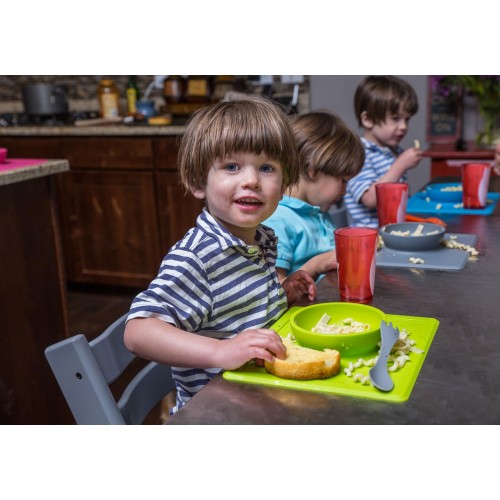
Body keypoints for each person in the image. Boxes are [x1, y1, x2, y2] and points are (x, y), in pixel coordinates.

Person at [124, 94, 316, 414]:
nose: (251, 180)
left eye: (266, 167)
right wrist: (220, 352)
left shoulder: (260, 240)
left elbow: (240, 314)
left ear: (284, 184)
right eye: (231, 166)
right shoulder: (198, 257)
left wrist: (284, 295)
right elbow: (138, 332)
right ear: (198, 181)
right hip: (216, 414)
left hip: (262, 398)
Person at [263, 110, 364, 282]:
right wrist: (315, 266)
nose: (344, 191)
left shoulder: (318, 214)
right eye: (343, 181)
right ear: (313, 169)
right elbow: (276, 289)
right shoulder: (277, 221)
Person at [344, 75, 423, 227]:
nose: (404, 126)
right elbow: (370, 199)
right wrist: (400, 165)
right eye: (395, 118)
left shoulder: (393, 150)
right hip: (371, 237)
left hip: (394, 232)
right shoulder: (357, 153)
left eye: (407, 119)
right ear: (368, 119)